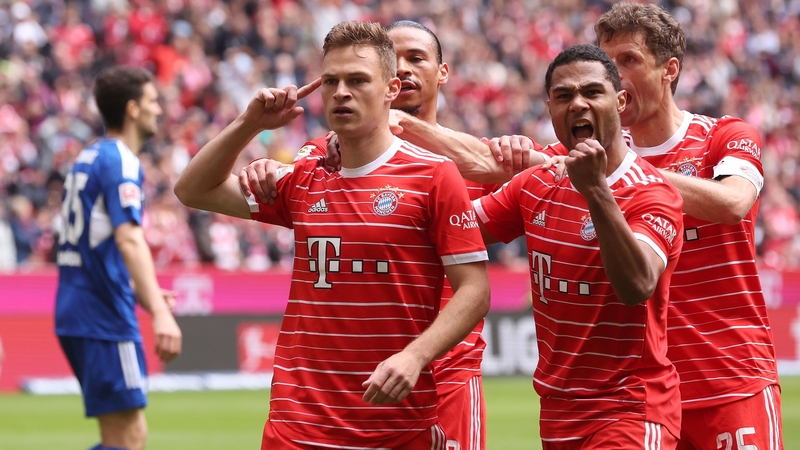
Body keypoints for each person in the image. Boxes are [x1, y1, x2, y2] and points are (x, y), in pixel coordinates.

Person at [174, 20, 491, 450]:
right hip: (297, 425)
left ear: (390, 91)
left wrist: (415, 356)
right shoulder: (305, 177)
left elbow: (475, 289)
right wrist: (250, 123)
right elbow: (193, 189)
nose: (341, 91)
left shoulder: (434, 176)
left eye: (358, 80)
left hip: (396, 425)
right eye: (331, 81)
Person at [238, 20, 537, 450]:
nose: (404, 67)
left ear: (443, 72)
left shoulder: (476, 159)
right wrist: (263, 166)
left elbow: (551, 182)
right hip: (351, 378)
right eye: (394, 58)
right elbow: (291, 186)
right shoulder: (331, 152)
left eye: (417, 58)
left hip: (449, 370)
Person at [475, 44, 684, 448]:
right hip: (558, 412)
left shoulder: (652, 193)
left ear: (620, 101)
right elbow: (453, 226)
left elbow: (638, 283)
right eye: (564, 96)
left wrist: (595, 191)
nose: (578, 104)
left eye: (592, 92)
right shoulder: (537, 183)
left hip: (630, 409)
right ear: (549, 107)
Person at [594, 4, 782, 448]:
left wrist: (626, 170)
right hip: (643, 401)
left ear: (669, 70)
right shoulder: (600, 157)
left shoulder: (724, 135)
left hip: (731, 383)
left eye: (629, 60)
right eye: (608, 63)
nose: (614, 76)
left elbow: (734, 203)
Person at [54, 66, 182, 450]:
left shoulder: (87, 158)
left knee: (123, 435)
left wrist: (149, 295)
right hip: (102, 314)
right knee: (128, 437)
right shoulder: (121, 161)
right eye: (152, 101)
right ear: (132, 109)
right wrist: (160, 314)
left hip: (78, 307)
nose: (159, 109)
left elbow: (95, 247)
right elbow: (128, 239)